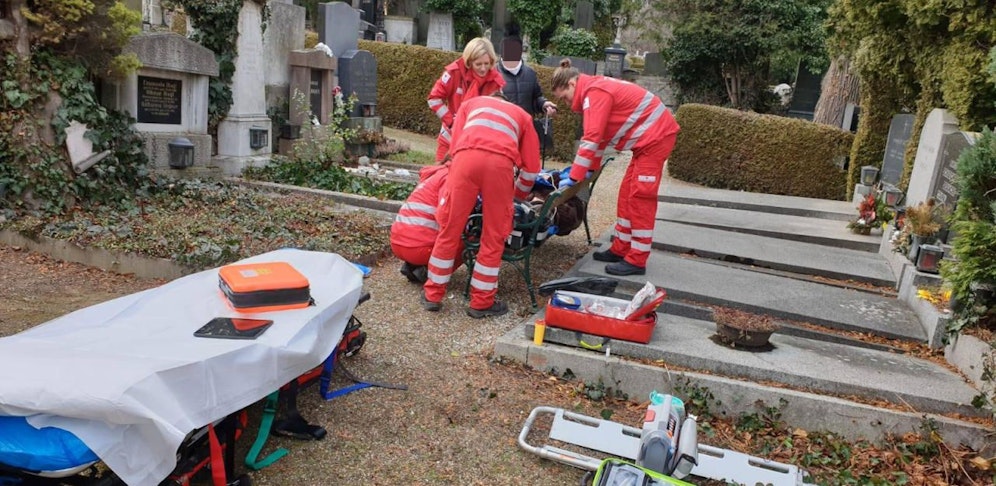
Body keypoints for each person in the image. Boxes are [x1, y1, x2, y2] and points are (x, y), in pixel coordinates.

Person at [550, 58, 680, 276]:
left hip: (656, 139)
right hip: (648, 142)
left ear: (572, 84)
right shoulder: (593, 91)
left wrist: (575, 177)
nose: (565, 103)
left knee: (640, 197)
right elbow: (599, 140)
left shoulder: (595, 93)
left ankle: (637, 259)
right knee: (626, 195)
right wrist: (588, 169)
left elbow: (590, 139)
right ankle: (621, 248)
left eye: (563, 98)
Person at [421, 92, 541, 318]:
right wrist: (516, 196)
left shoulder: (470, 104)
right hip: (500, 166)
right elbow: (532, 169)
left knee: (449, 229)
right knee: (494, 235)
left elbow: (455, 146)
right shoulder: (523, 117)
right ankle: (481, 302)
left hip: (465, 161)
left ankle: (433, 295)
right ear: (508, 101)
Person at [427, 37, 506, 163]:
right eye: (478, 64)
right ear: (469, 62)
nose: (483, 69)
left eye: (486, 64)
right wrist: (452, 123)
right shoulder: (455, 73)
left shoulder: (495, 82)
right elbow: (434, 99)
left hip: (477, 144)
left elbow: (497, 114)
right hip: (449, 139)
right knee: (439, 176)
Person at [389, 162, 452, 284]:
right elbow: (447, 215)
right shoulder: (449, 177)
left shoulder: (432, 176)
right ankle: (428, 272)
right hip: (418, 250)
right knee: (463, 237)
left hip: (397, 243)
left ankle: (412, 266)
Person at [497, 32, 557, 119]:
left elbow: (536, 98)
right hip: (502, 127)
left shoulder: (530, 73)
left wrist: (544, 104)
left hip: (525, 126)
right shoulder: (494, 73)